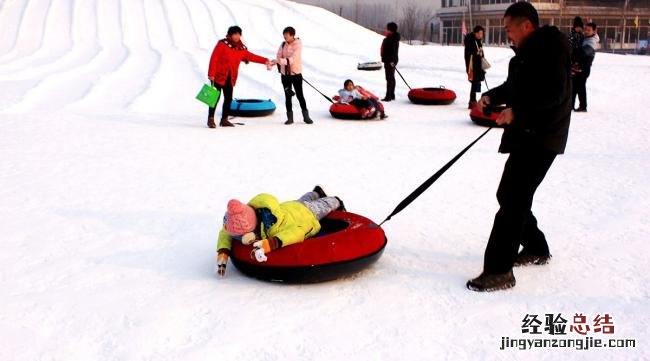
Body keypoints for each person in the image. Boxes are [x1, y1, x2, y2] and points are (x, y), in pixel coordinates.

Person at [468, 2, 572, 292]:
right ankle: (537, 247)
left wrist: (518, 113)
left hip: (544, 136)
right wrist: (490, 97)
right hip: (527, 134)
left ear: (526, 25)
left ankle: (499, 270)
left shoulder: (551, 50)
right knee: (510, 194)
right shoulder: (524, 57)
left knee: (513, 199)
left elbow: (556, 95)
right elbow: (515, 88)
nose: (507, 35)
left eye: (509, 28)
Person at [215, 186, 346, 276]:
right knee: (303, 199)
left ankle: (336, 200)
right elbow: (226, 232)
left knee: (322, 205)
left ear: (253, 229)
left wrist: (273, 242)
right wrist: (223, 250)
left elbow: (297, 232)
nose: (241, 239)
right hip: (290, 206)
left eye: (243, 236)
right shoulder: (240, 224)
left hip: (305, 213)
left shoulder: (275, 226)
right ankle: (316, 192)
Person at [207, 26, 272, 128]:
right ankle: (210, 119)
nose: (237, 36)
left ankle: (224, 120)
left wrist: (265, 60)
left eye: (238, 34)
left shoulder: (241, 48)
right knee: (214, 98)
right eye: (235, 34)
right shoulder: (222, 44)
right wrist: (211, 73)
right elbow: (214, 58)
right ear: (230, 34)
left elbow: (251, 56)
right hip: (218, 75)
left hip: (230, 77)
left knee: (228, 99)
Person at [272, 26, 313, 125]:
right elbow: (278, 56)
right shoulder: (283, 44)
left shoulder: (298, 45)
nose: (284, 38)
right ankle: (290, 118)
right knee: (288, 96)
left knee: (300, 95)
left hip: (295, 74)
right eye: (284, 36)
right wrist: (277, 61)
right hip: (285, 74)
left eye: (286, 36)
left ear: (292, 35)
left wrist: (280, 61)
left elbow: (292, 60)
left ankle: (306, 116)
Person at [571, 22, 598, 112]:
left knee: (580, 86)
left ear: (594, 31)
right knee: (574, 86)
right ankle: (571, 105)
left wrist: (573, 51)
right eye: (585, 29)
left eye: (589, 30)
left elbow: (584, 52)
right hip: (579, 66)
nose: (586, 31)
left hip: (584, 67)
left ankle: (583, 106)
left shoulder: (592, 42)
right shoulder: (587, 38)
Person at [464, 25, 487, 109]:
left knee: (476, 81)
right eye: (479, 33)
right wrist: (478, 53)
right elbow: (470, 52)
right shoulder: (470, 40)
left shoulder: (478, 41)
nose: (481, 35)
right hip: (472, 64)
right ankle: (472, 101)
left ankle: (473, 100)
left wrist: (481, 55)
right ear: (475, 33)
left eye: (482, 34)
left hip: (478, 63)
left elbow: (480, 51)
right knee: (474, 81)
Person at [380, 22, 400, 102]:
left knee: (389, 78)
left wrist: (392, 61)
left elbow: (394, 51)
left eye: (387, 29)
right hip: (389, 60)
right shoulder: (391, 38)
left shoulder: (392, 39)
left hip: (390, 61)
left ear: (390, 30)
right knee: (391, 77)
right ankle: (391, 95)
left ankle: (388, 96)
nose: (385, 30)